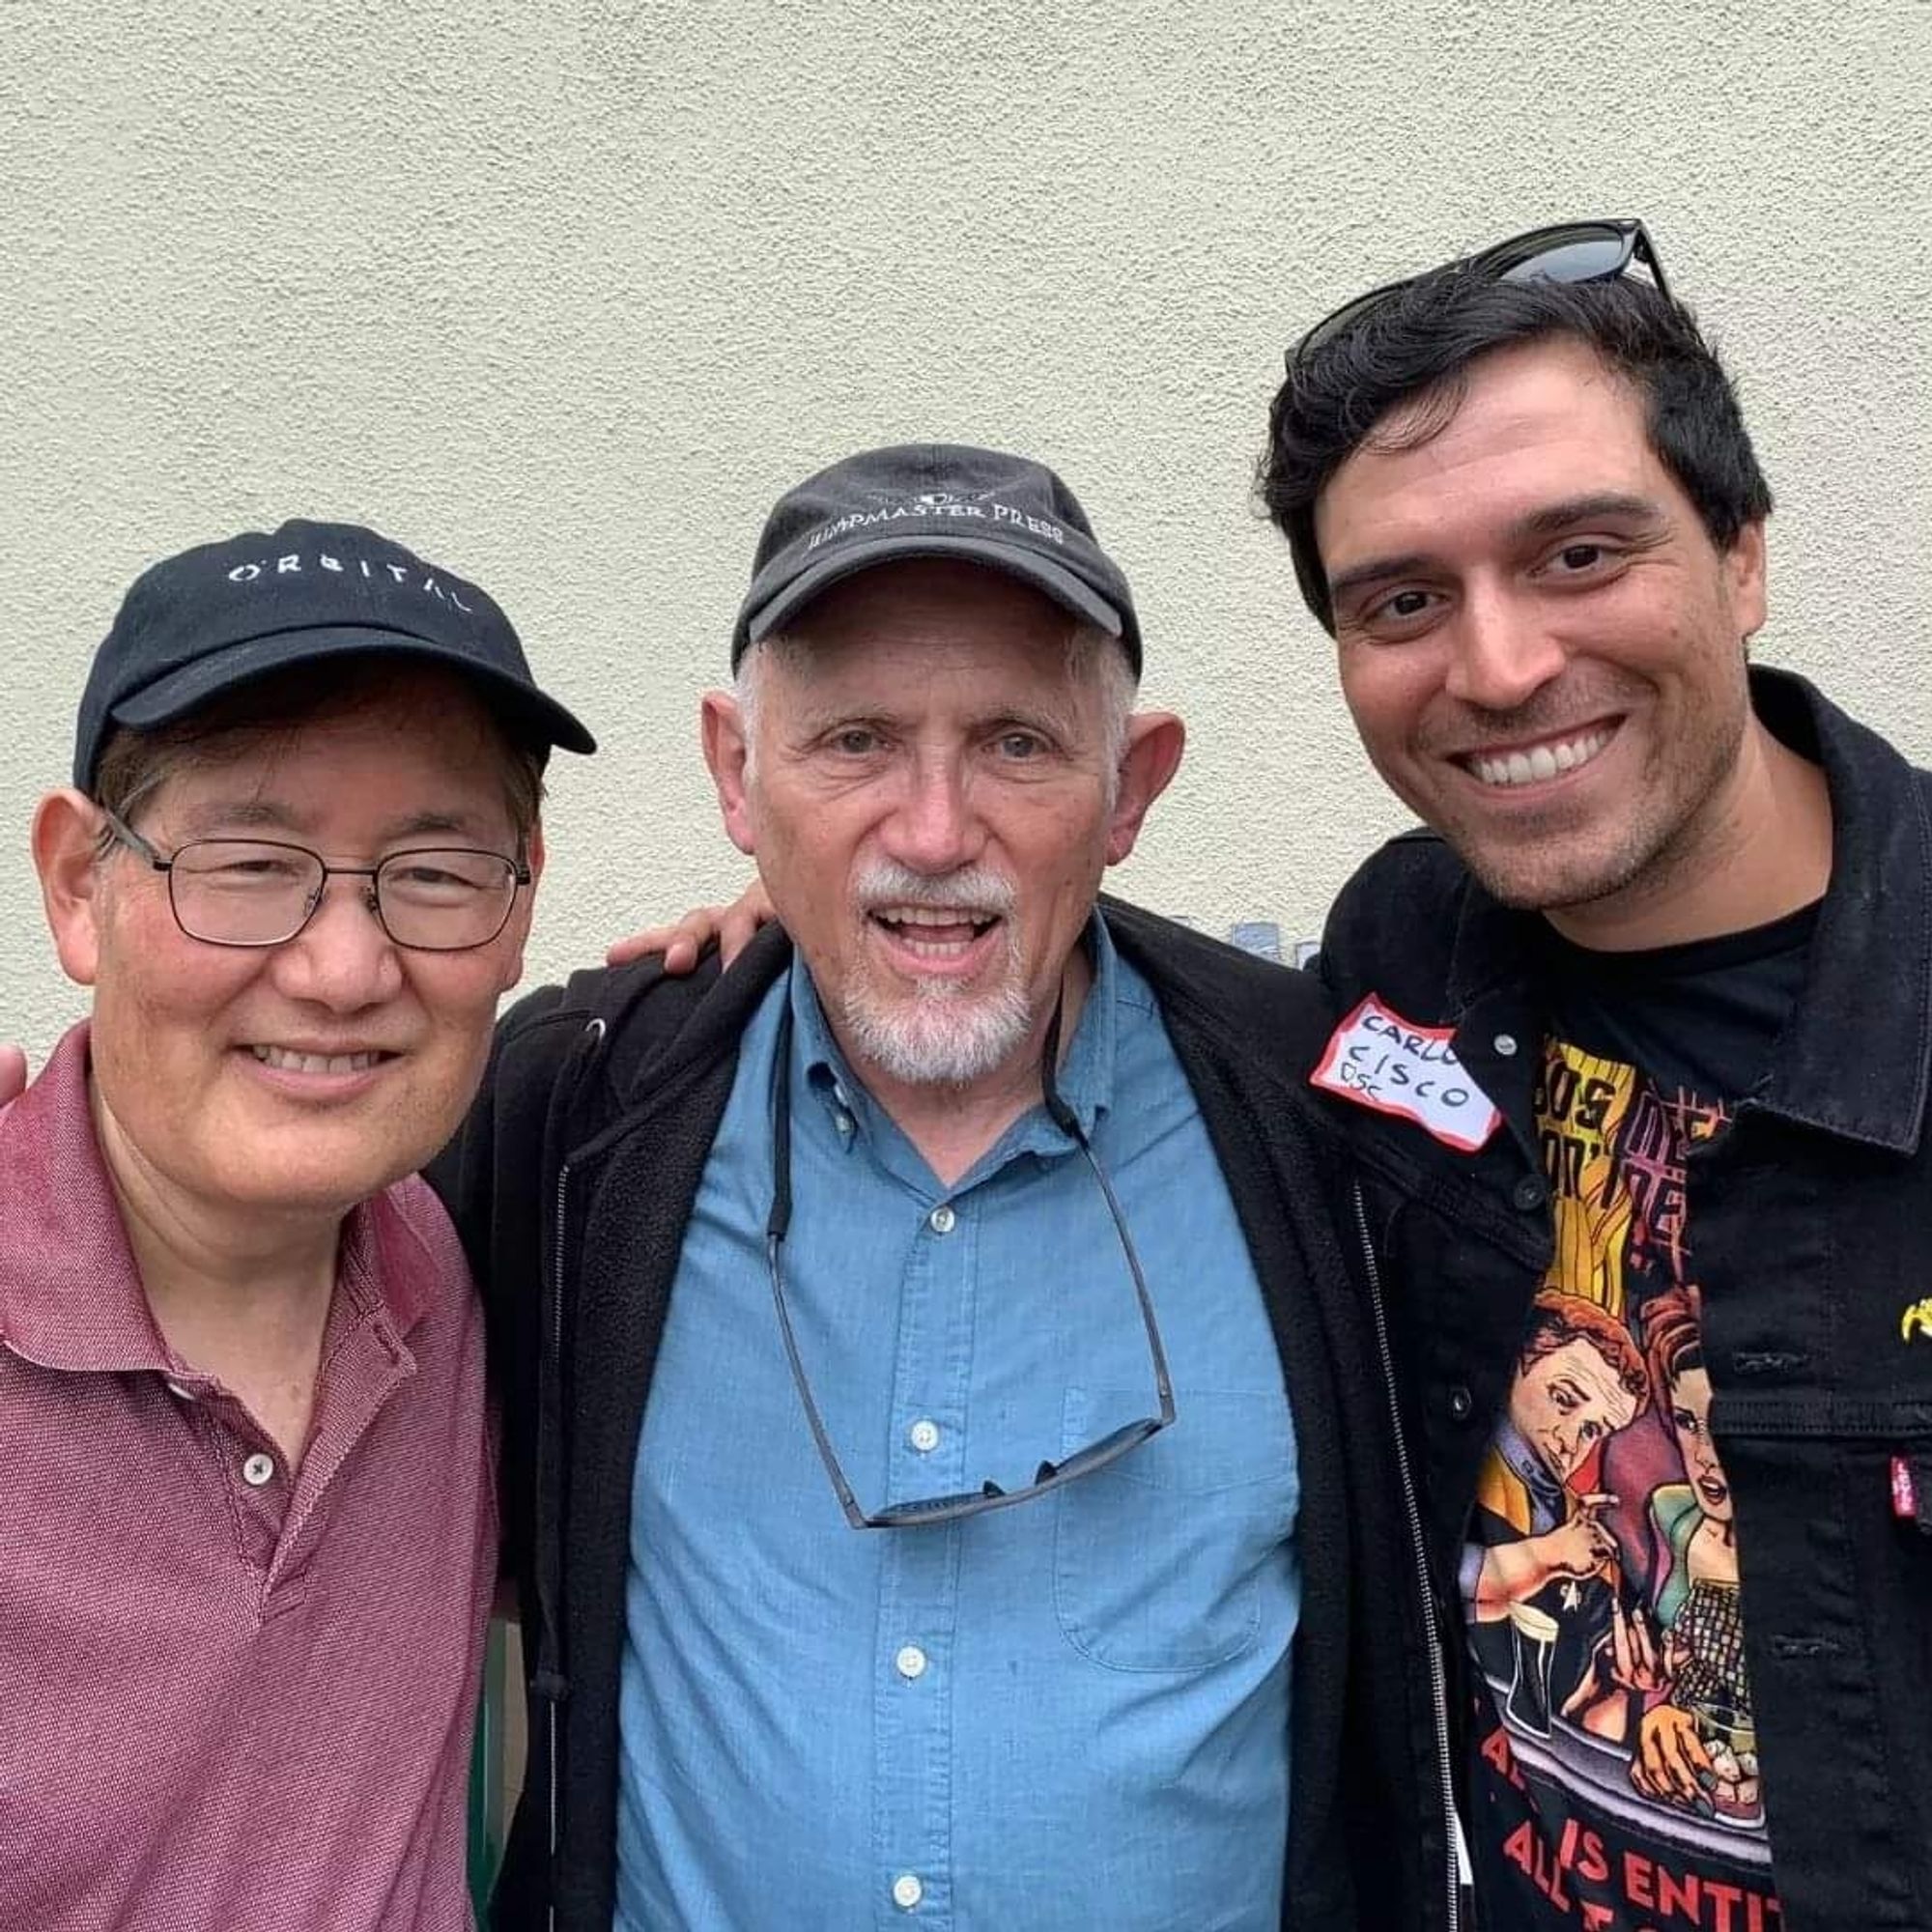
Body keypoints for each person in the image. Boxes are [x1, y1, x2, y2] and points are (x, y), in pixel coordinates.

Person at [430, 443, 1449, 1930]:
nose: (930, 831)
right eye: (852, 742)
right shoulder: (579, 1108)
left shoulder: (1317, 1117)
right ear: (737, 775)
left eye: (1019, 745)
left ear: (1131, 787)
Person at [1263, 219, 1932, 1929]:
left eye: (1578, 555)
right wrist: (830, 928)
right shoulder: (1402, 956)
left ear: (1744, 556)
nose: (1496, 670)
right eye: (1405, 600)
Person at [0, 520, 590, 1931]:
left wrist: (810, 953)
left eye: (437, 872)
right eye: (251, 863)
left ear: (517, 913)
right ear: (81, 886)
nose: (343, 968)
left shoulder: (442, 1282)